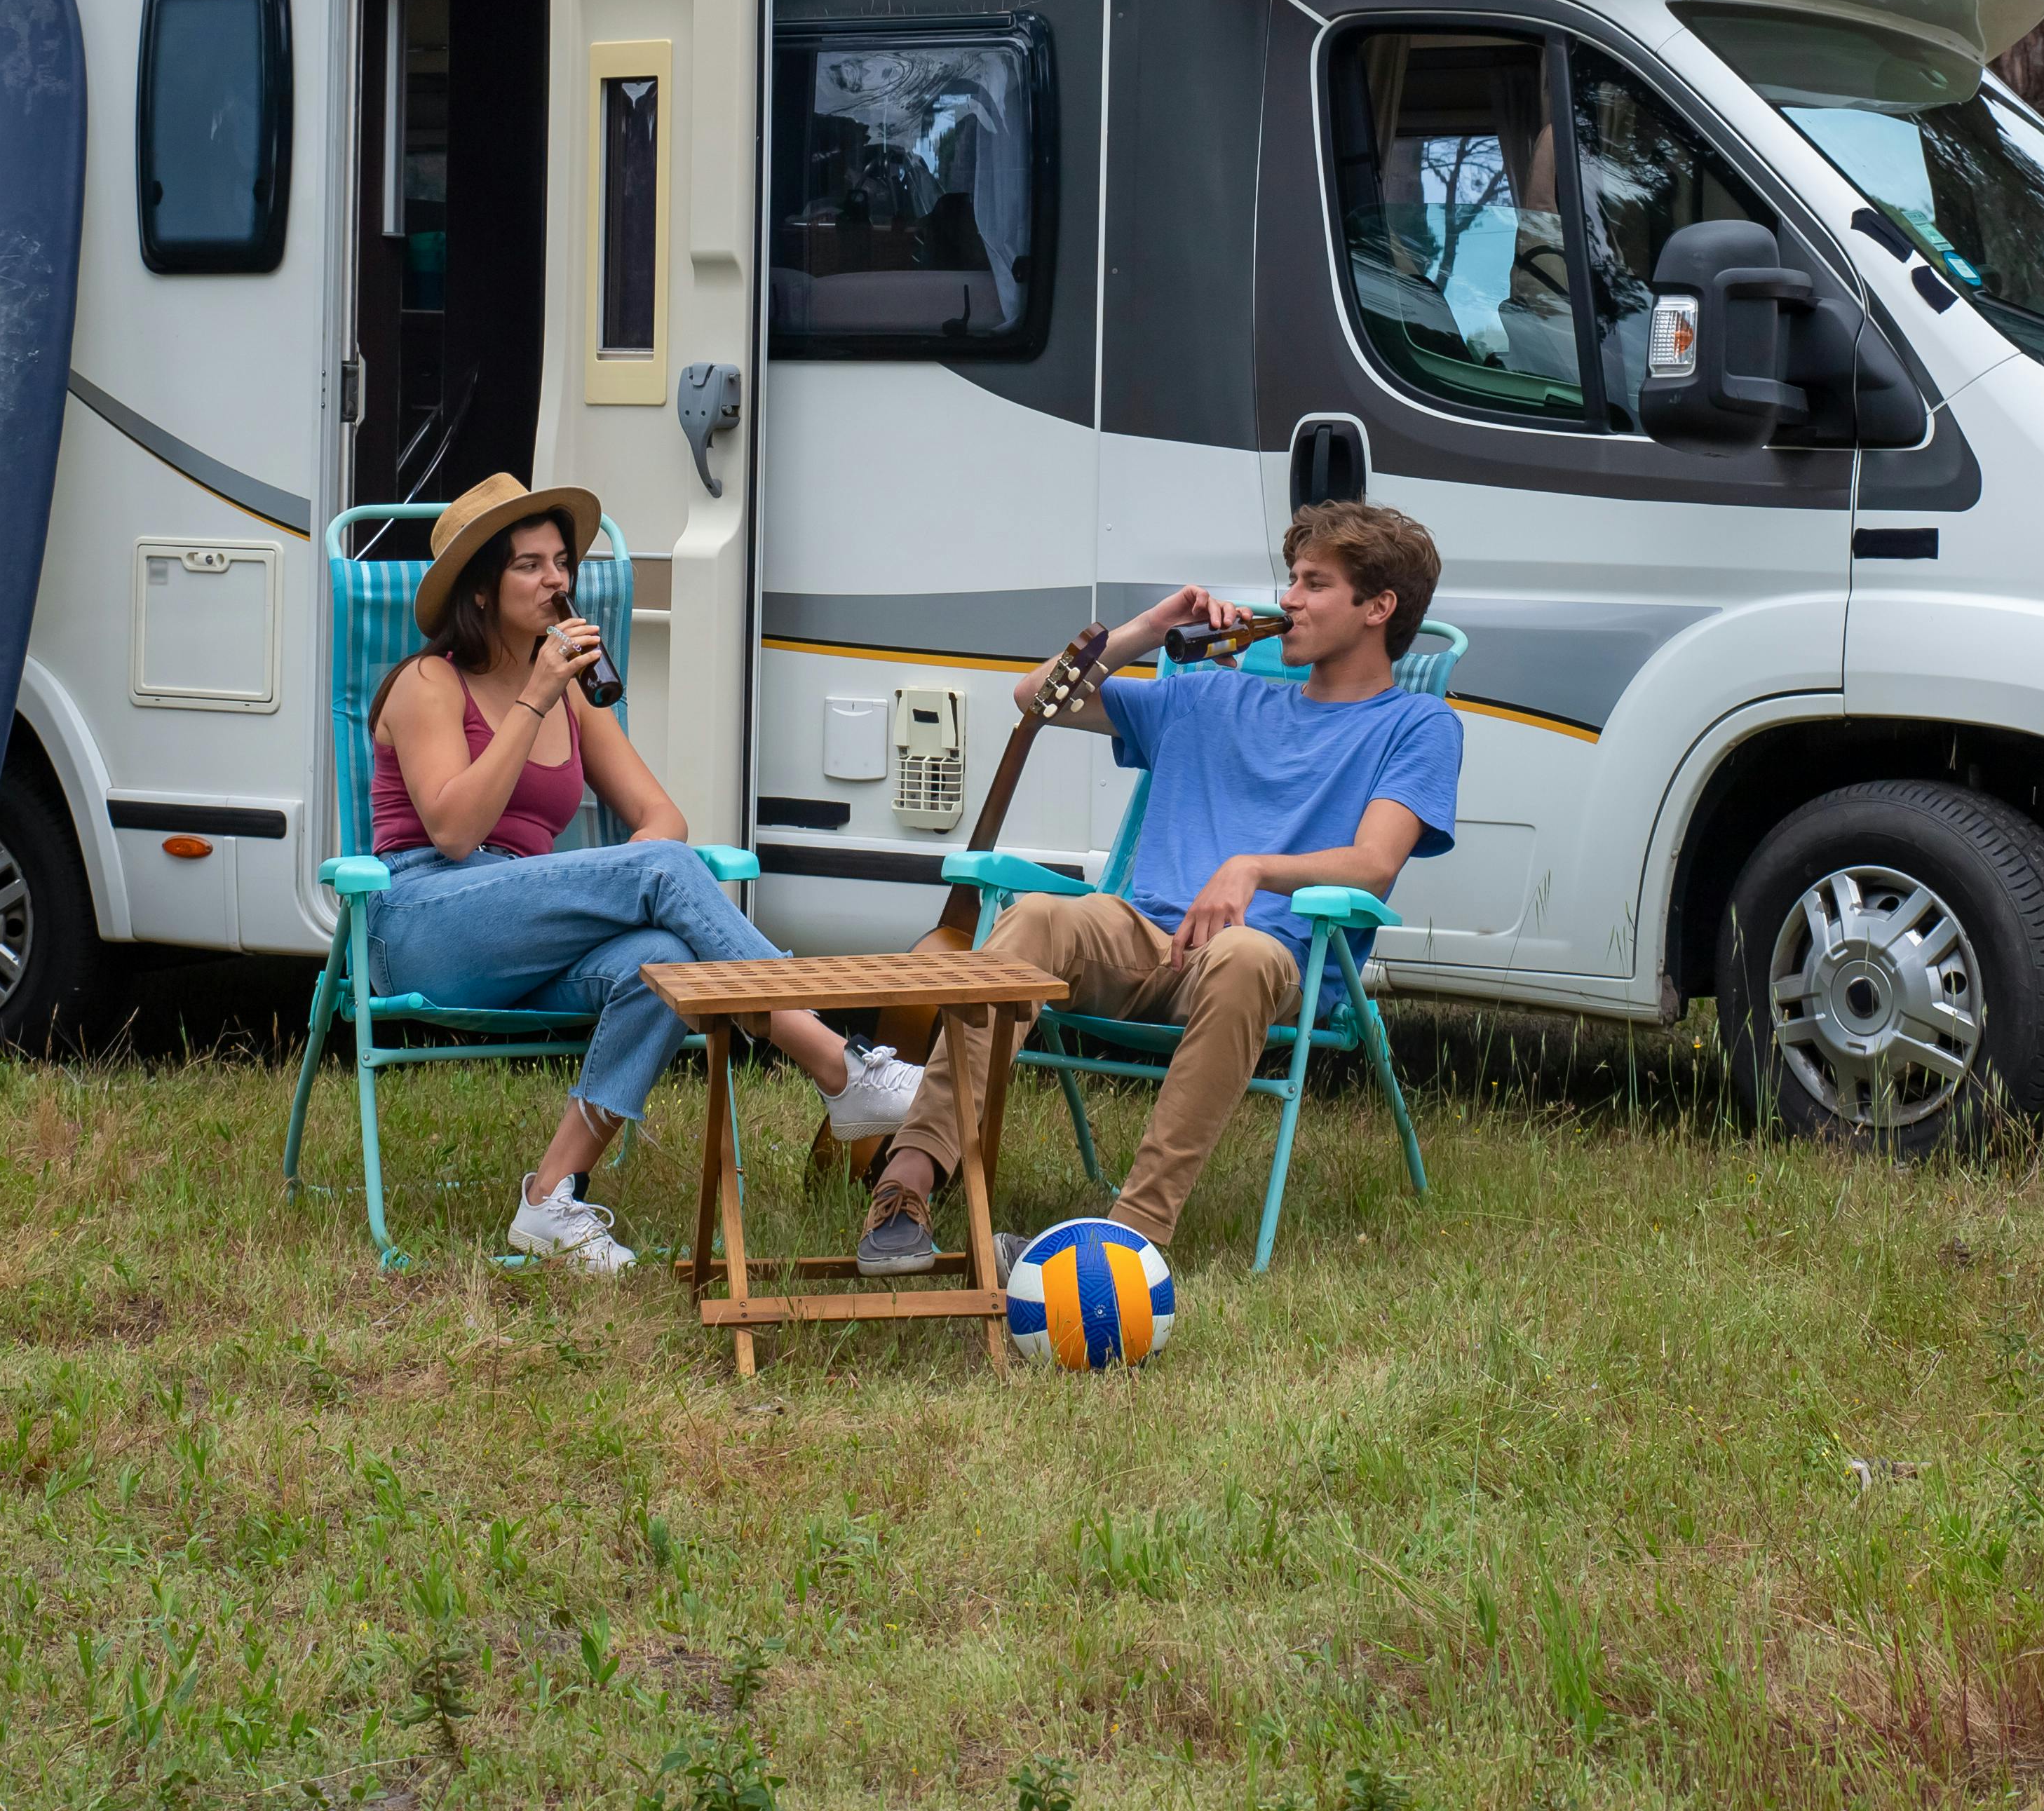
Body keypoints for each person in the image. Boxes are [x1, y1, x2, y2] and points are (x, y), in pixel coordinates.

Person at [855, 501, 1461, 1275]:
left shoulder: (1416, 725)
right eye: (1293, 580)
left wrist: (1252, 869)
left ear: (1379, 608)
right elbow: (1034, 696)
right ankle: (909, 1183)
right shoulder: (1212, 694)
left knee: (1244, 953)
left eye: (1315, 584)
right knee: (1040, 917)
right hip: (1144, 937)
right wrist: (1145, 628)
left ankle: (1126, 1238)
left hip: (1262, 960)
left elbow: (1375, 863)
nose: (1291, 599)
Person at [368, 473, 921, 1274]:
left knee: (664, 956)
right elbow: (454, 831)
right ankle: (835, 1064)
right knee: (659, 873)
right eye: (530, 565)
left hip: (525, 927)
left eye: (562, 561)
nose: (557, 580)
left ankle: (549, 1200)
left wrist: (612, 880)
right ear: (481, 592)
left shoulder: (573, 698)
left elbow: (664, 822)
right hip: (426, 918)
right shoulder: (431, 683)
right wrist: (533, 698)